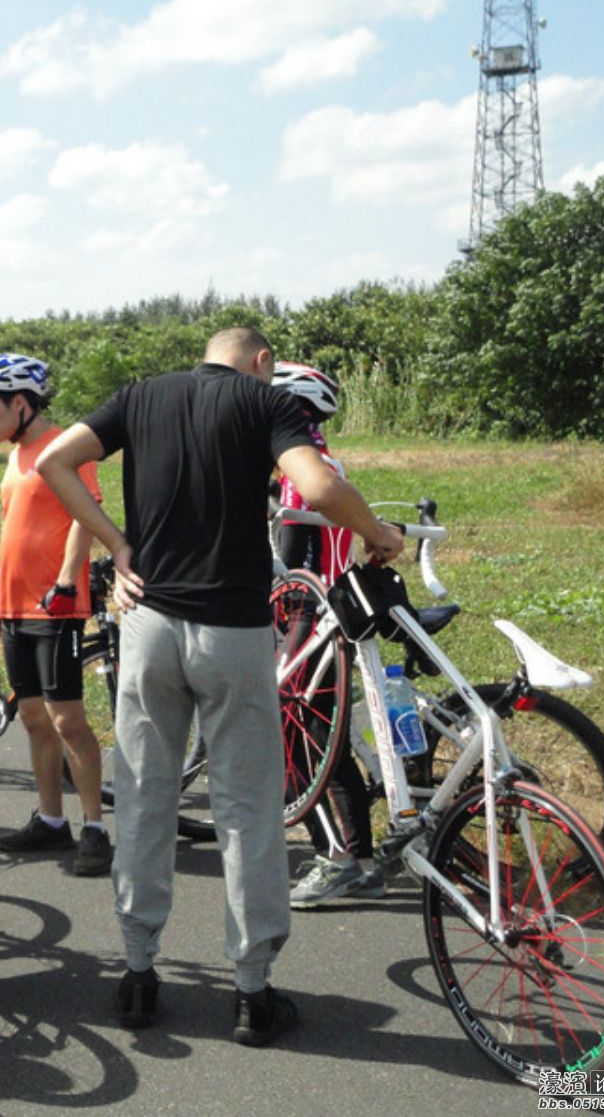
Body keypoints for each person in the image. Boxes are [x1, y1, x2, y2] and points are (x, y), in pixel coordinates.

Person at [36, 327, 404, 1045]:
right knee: (247, 807)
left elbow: (54, 461)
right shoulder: (264, 404)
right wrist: (377, 530)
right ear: (261, 362)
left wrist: (116, 546)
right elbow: (321, 486)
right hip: (233, 632)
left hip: (148, 624)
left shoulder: (140, 394)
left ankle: (139, 974)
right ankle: (251, 990)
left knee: (145, 796)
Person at [0, 354, 112, 877]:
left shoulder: (65, 446)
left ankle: (95, 827)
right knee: (32, 718)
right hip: (13, 604)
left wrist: (68, 579)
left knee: (66, 718)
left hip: (55, 603)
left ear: (21, 404)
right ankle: (52, 820)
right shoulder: (15, 453)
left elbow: (86, 515)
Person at [269, 363, 384, 908]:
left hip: (305, 614)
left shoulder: (298, 473)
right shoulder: (325, 462)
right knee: (325, 737)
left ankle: (339, 858)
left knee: (299, 740)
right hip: (334, 606)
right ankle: (358, 855)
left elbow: (289, 563)